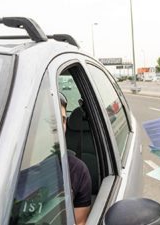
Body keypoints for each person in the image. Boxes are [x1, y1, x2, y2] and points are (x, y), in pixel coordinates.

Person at [59, 93, 92, 225]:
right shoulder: (0, 168)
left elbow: (79, 222)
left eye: (62, 120)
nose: (59, 126)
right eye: (51, 119)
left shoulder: (76, 170)